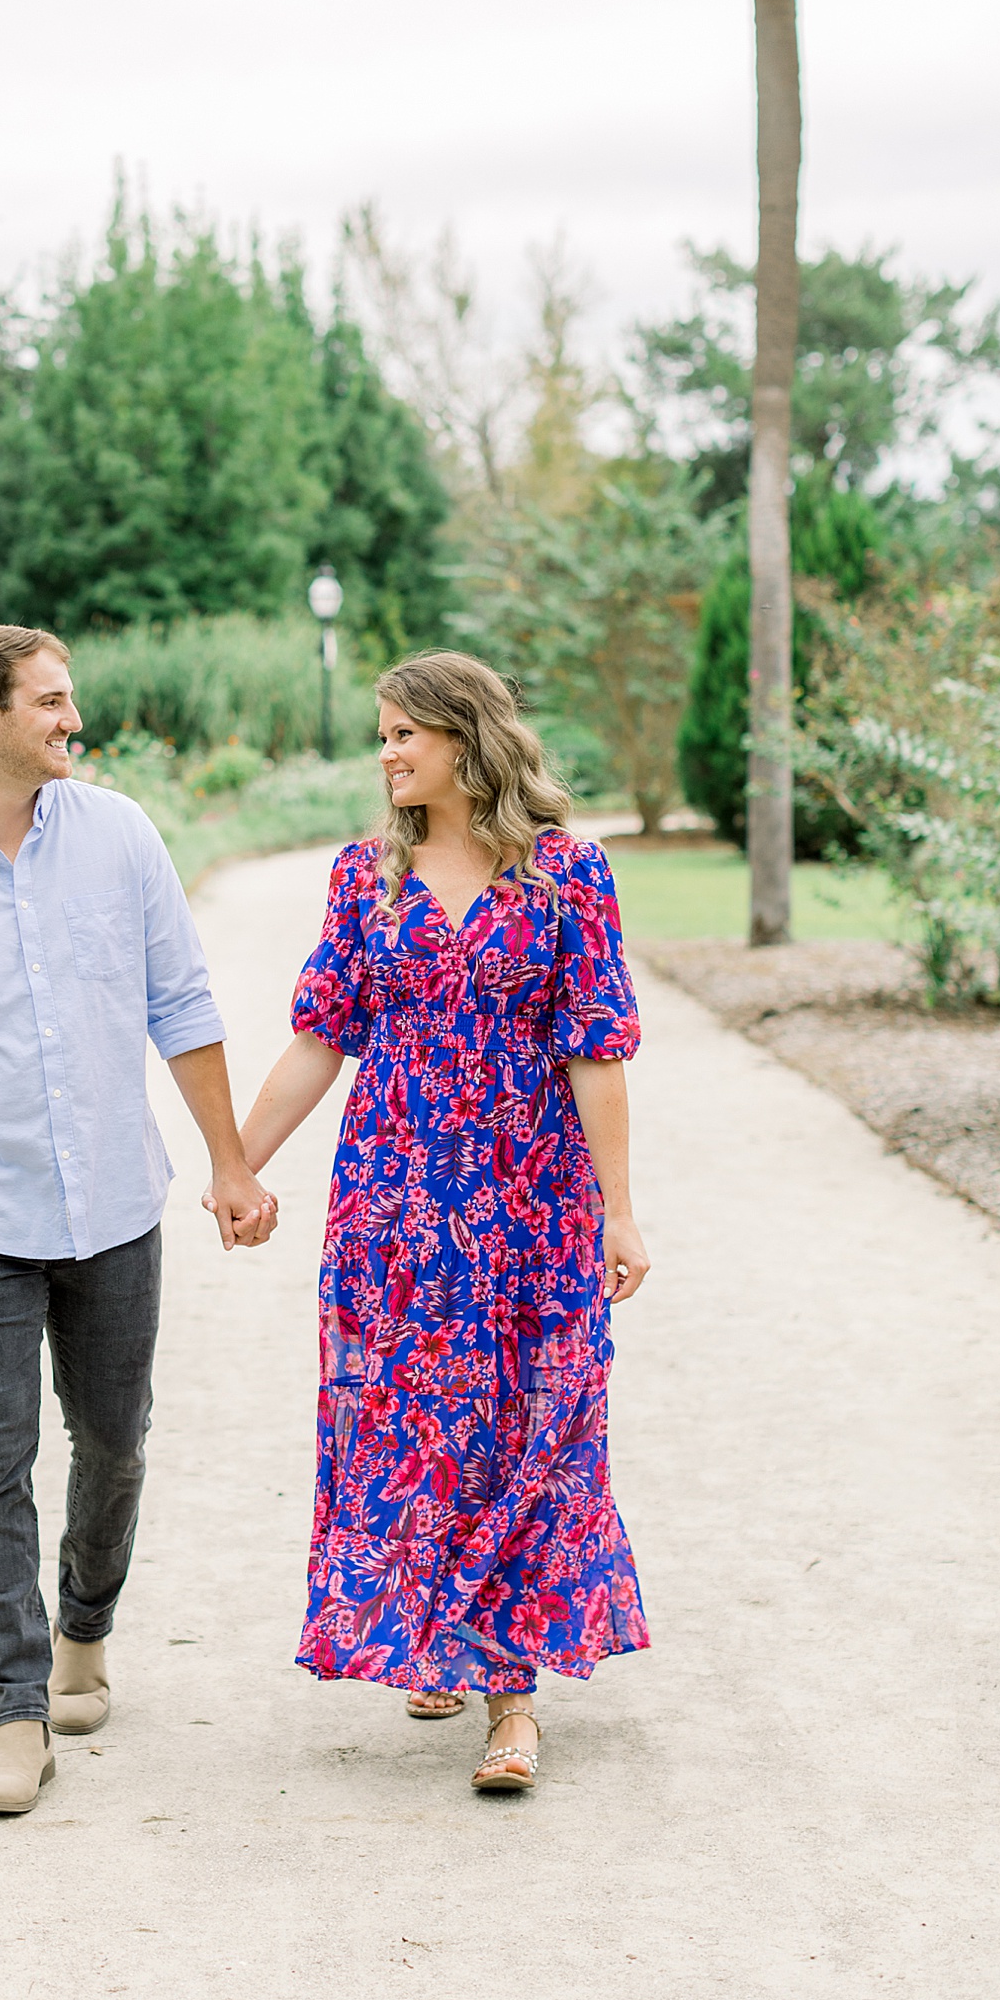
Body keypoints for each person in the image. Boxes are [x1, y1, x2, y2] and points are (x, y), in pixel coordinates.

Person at [0, 623, 276, 1818]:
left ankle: (86, 1622)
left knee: (117, 1438)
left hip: (115, 1203)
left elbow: (180, 1003)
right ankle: (16, 1709)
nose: (71, 719)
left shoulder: (121, 835)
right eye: (51, 700)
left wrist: (228, 1163)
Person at [232, 649, 649, 1795]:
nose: (387, 751)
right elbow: (322, 1034)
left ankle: (513, 1698)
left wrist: (620, 1211)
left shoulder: (568, 873)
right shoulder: (366, 878)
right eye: (384, 733)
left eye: (404, 732)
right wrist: (238, 1162)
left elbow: (597, 1048)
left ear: (464, 737)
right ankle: (431, 1630)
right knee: (411, 1424)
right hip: (397, 1206)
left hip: (531, 1203)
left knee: (528, 1424)